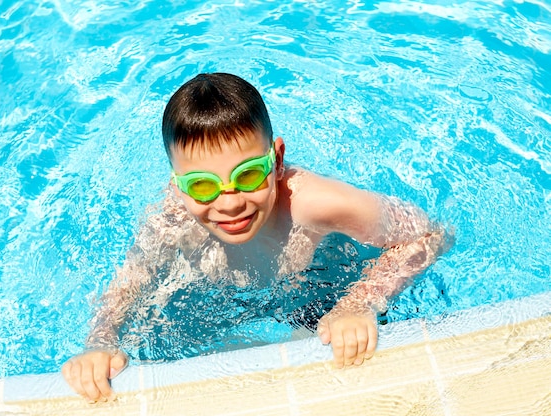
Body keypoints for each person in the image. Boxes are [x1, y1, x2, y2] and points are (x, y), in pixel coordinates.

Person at [61, 72, 448, 403]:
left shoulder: (312, 203)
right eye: (202, 185)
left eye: (247, 175)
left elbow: (430, 235)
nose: (229, 203)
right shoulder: (172, 217)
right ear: (178, 187)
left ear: (277, 161)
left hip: (321, 292)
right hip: (234, 299)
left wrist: (359, 302)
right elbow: (129, 284)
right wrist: (100, 343)